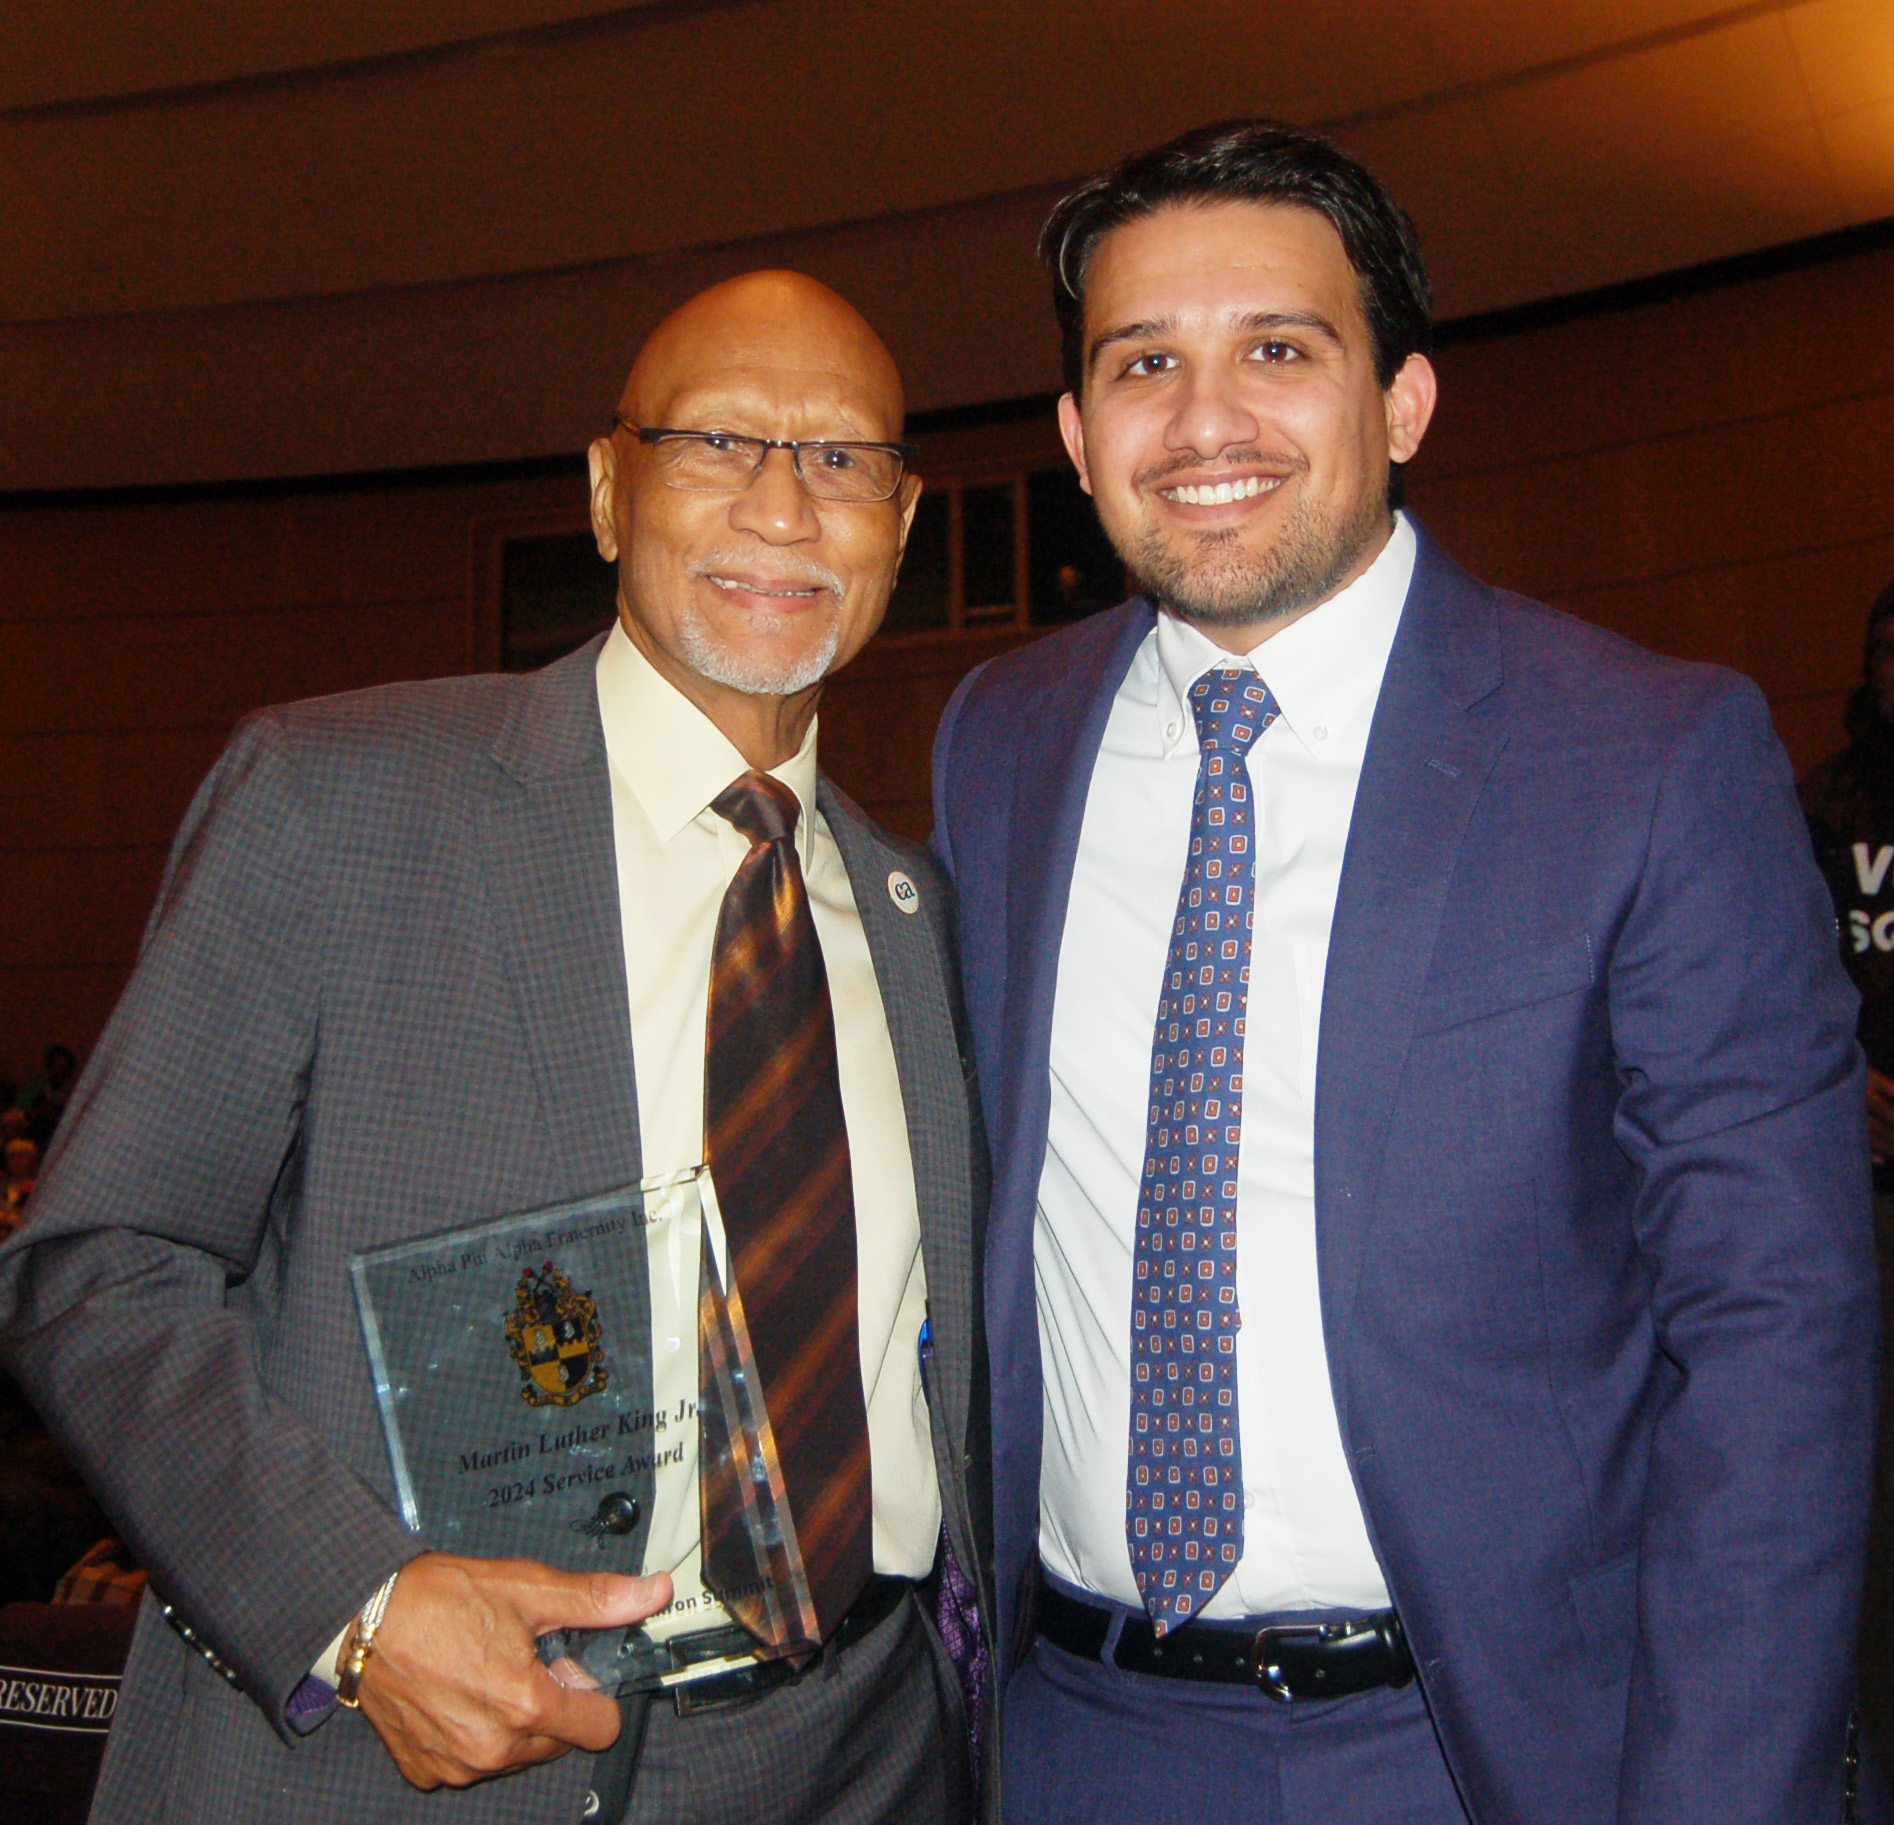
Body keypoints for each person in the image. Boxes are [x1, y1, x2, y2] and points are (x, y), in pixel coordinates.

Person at [931, 121, 1877, 1824]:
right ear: (1074, 436)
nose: (1204, 420)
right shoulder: (999, 742)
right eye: (1142, 362)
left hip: (1490, 1750)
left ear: (1404, 403)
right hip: (1076, 1740)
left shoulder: (1646, 754)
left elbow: (1774, 1330)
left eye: (1277, 350)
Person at [0, 270, 989, 1825]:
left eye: (841, 458)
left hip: (859, 1755)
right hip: (413, 1767)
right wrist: (356, 1603)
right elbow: (99, 1262)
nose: (783, 506)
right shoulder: (339, 799)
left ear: (903, 522)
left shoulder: (923, 915)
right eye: (716, 441)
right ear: (605, 490)